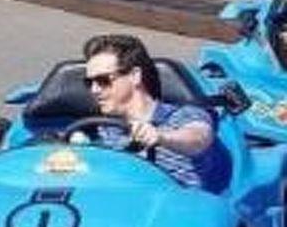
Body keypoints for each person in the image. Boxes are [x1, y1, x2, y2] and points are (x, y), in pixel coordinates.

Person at [72, 33, 227, 190]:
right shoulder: (105, 130)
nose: (94, 90)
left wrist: (161, 136)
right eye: (89, 82)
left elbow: (199, 139)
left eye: (103, 80)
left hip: (177, 200)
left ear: (135, 76)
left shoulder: (184, 115)